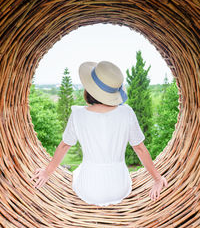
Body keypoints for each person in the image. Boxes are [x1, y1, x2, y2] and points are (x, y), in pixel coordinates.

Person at [30, 61, 168, 206]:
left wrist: (46, 173)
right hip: (119, 187)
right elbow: (140, 148)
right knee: (118, 176)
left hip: (89, 189)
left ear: (89, 90)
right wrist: (158, 179)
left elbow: (64, 146)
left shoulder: (78, 114)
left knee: (78, 172)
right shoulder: (126, 112)